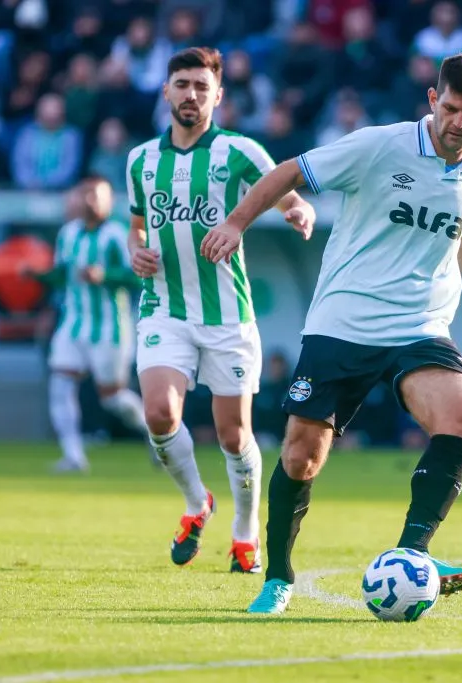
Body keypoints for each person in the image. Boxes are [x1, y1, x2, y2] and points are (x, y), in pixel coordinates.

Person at [201, 53, 462, 615]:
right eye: (450, 109)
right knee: (302, 455)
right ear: (432, 99)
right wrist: (235, 222)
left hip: (420, 325)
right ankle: (277, 577)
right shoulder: (380, 145)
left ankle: (413, 555)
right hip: (344, 321)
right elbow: (291, 172)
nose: (458, 123)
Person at [126, 47, 316, 575]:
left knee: (234, 435)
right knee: (160, 414)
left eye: (201, 87)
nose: (191, 95)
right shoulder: (140, 160)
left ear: (218, 96)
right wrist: (134, 250)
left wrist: (299, 210)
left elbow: (286, 193)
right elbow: (136, 226)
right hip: (165, 308)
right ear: (166, 91)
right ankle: (195, 503)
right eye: (182, 84)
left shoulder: (240, 152)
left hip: (229, 317)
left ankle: (244, 533)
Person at [22, 175, 147, 472]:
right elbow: (63, 275)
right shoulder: (68, 234)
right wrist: (37, 275)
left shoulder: (118, 235)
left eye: (97, 195)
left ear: (109, 201)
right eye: (85, 194)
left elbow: (138, 276)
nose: (90, 200)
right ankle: (74, 456)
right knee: (60, 385)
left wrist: (105, 275)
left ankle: (155, 435)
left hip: (110, 327)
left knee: (113, 398)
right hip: (73, 323)